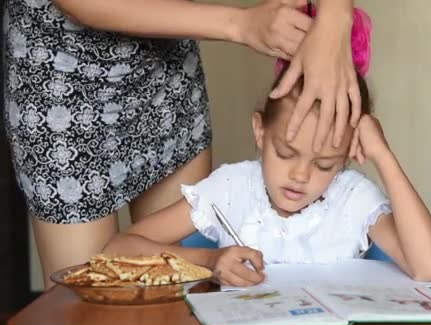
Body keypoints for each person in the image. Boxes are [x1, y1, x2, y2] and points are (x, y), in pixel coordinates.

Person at [4, 0, 362, 288]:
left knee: (176, 295)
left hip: (166, 68)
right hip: (61, 83)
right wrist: (240, 25)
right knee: (82, 303)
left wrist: (336, 15)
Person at [103, 7, 431, 287]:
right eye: (286, 153)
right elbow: (118, 250)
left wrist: (383, 156)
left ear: (346, 157)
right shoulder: (230, 189)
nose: (300, 175)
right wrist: (209, 261)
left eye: (325, 164)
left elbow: (429, 267)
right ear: (260, 130)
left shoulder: (352, 200)